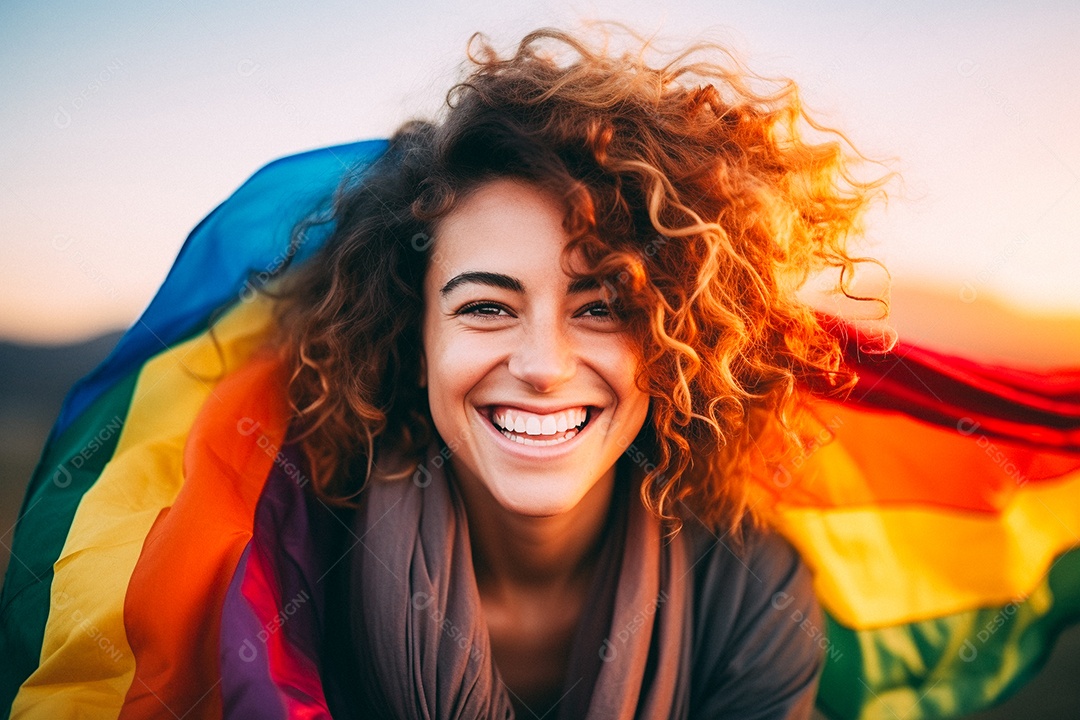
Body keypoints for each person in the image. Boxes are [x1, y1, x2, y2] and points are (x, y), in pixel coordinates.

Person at [257, 23, 887, 719]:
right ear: (412, 343)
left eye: (604, 308)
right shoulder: (292, 569)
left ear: (676, 343)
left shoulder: (747, 593)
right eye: (488, 307)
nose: (543, 367)